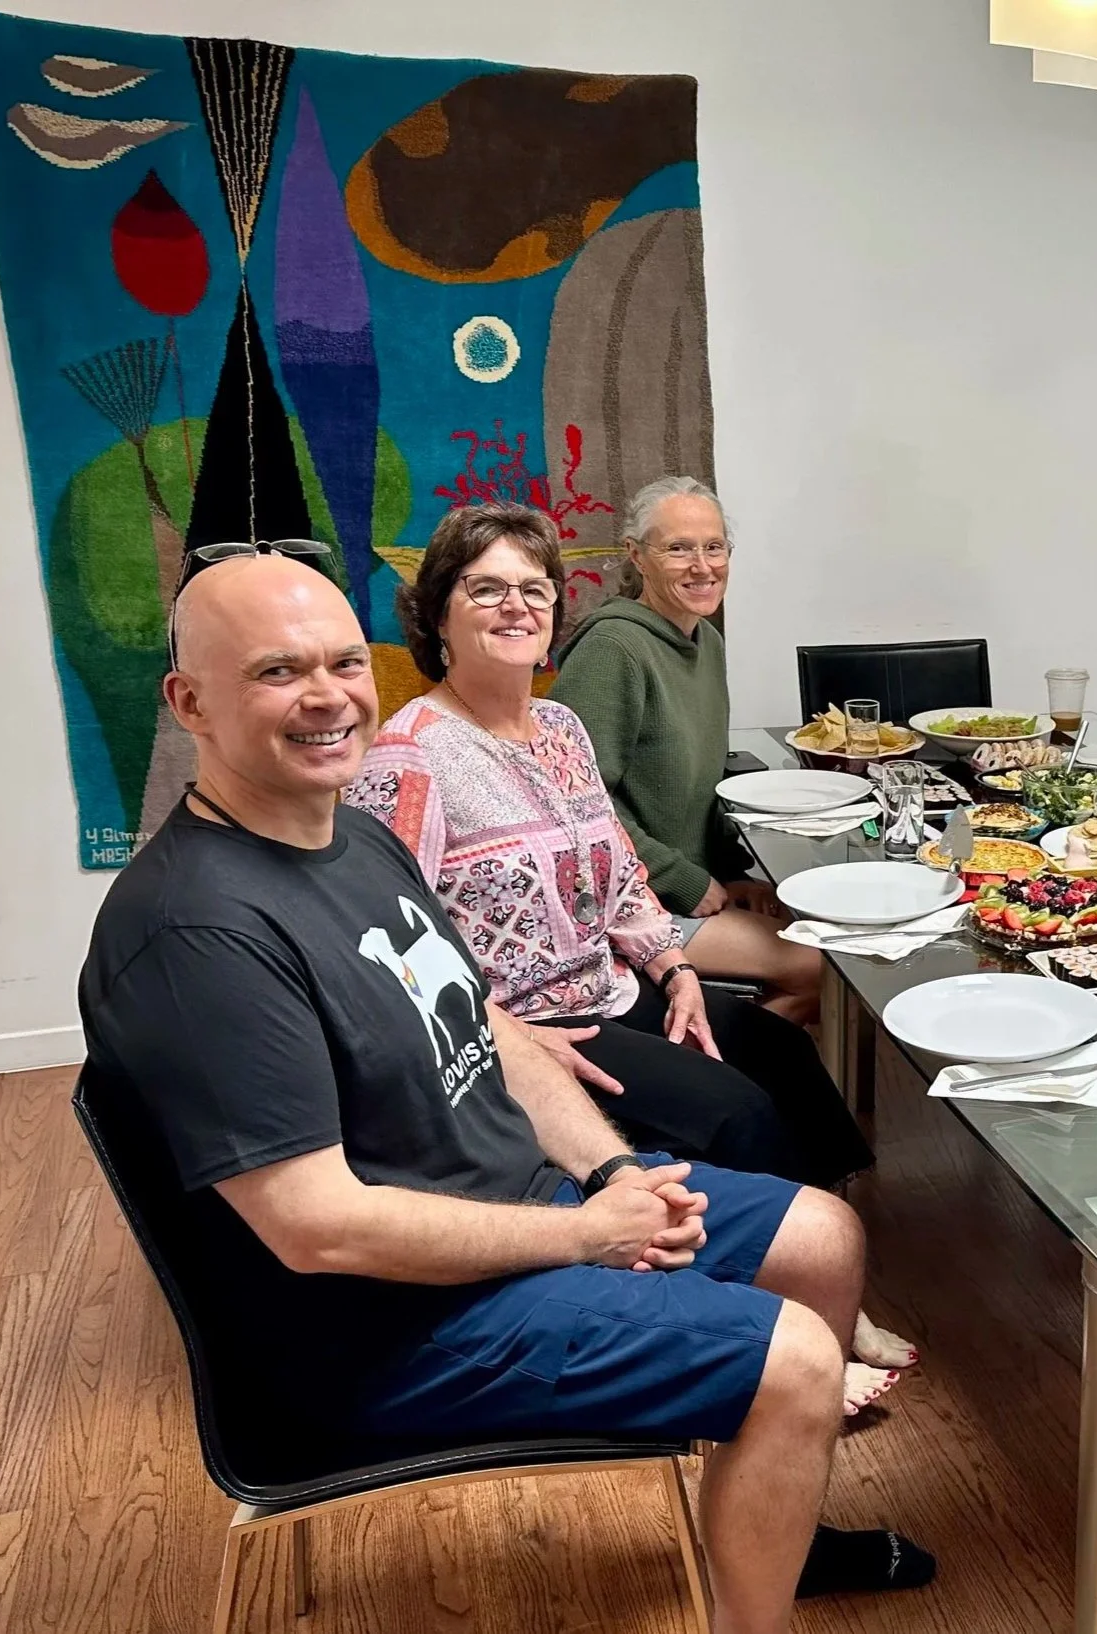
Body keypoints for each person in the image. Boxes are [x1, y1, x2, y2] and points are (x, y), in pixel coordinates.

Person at [78, 553, 932, 1627]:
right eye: (277, 670)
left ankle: (777, 1522)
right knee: (798, 1352)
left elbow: (488, 1023)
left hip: (515, 1207)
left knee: (822, 1235)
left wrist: (613, 1171)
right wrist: (590, 1236)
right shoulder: (197, 932)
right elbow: (316, 1228)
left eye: (345, 661)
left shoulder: (352, 836)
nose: (329, 694)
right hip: (382, 1327)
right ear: (189, 701)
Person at [342, 505, 909, 1407]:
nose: (515, 607)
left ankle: (830, 1285)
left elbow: (618, 876)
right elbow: (387, 943)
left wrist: (675, 968)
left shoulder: (561, 729)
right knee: (731, 1113)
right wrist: (502, 1039)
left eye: (534, 589)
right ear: (437, 615)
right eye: (485, 589)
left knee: (784, 1054)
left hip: (607, 987)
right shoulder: (411, 761)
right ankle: (784, 1338)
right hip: (535, 1031)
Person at [549, 477, 821, 1024]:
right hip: (627, 905)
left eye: (714, 546)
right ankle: (716, 1080)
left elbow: (697, 788)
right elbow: (572, 807)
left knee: (821, 923)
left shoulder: (705, 640)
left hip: (683, 881)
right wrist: (683, 880)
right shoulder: (612, 649)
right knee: (820, 966)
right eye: (678, 548)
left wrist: (732, 873)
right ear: (636, 556)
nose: (703, 566)